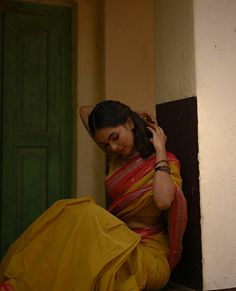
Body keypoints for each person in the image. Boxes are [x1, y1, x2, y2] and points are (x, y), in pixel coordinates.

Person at [0, 100, 187, 291]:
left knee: (86, 213)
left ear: (129, 123)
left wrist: (160, 149)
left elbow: (163, 202)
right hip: (114, 244)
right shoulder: (116, 157)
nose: (113, 147)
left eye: (115, 137)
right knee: (72, 221)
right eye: (105, 144)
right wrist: (138, 117)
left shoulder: (164, 162)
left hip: (145, 256)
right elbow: (85, 112)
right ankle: (19, 286)